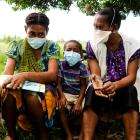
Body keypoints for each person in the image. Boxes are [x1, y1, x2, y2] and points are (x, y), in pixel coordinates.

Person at [82, 7, 140, 140]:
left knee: (131, 91)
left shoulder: (133, 45)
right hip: (102, 88)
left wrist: (115, 85)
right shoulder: (92, 44)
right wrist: (97, 83)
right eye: (94, 26)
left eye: (100, 27)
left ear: (113, 27)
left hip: (123, 86)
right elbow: (95, 72)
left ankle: (131, 137)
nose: (96, 31)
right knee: (91, 91)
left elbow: (131, 77)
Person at [1, 12, 59, 140]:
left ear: (47, 31)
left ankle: (42, 133)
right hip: (20, 84)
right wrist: (10, 83)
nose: (36, 38)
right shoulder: (17, 45)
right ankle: (11, 134)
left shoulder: (51, 46)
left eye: (41, 34)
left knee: (32, 98)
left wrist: (25, 75)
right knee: (9, 97)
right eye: (32, 34)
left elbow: (52, 75)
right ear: (25, 29)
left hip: (43, 86)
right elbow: (8, 73)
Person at [57, 40, 89, 140]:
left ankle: (81, 134)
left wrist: (79, 102)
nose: (72, 52)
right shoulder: (61, 65)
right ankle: (68, 134)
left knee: (85, 110)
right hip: (65, 93)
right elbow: (58, 83)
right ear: (64, 52)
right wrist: (62, 97)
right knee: (61, 107)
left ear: (80, 54)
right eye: (69, 50)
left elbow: (84, 86)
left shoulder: (82, 67)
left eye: (75, 50)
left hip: (79, 94)